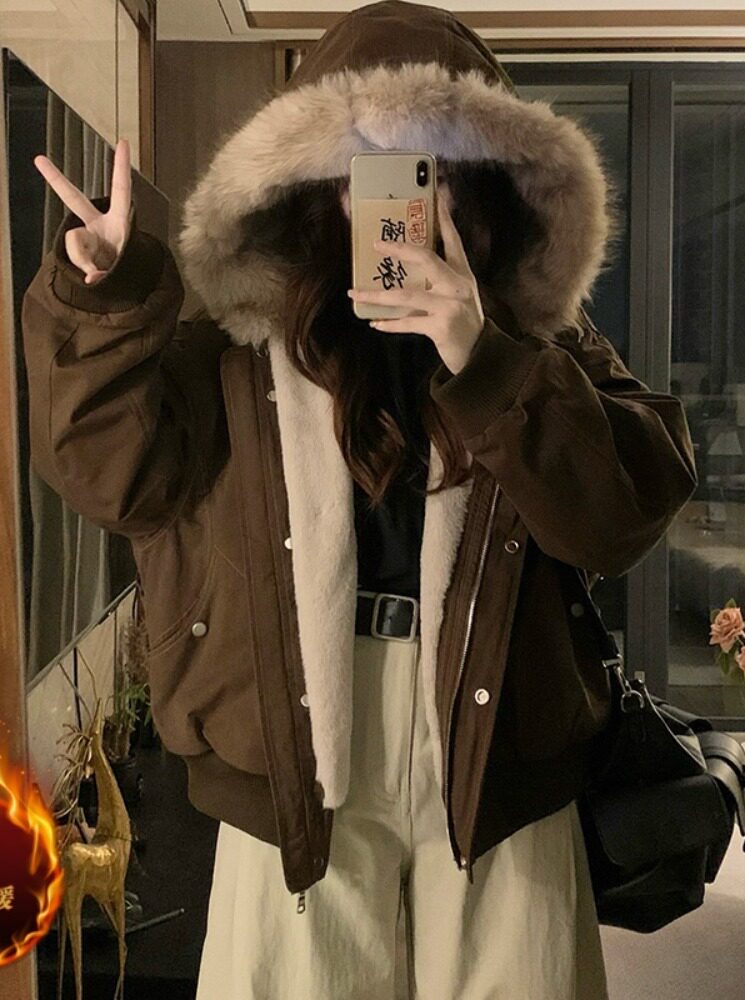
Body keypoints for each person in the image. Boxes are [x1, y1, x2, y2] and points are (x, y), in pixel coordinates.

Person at [23, 1, 697, 996]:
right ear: (313, 184)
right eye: (362, 164)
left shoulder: (539, 341)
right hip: (289, 742)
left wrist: (482, 351)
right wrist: (107, 305)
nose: (394, 197)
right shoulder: (240, 346)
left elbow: (621, 515)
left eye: (429, 165)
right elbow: (112, 477)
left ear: (479, 184)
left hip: (498, 742)